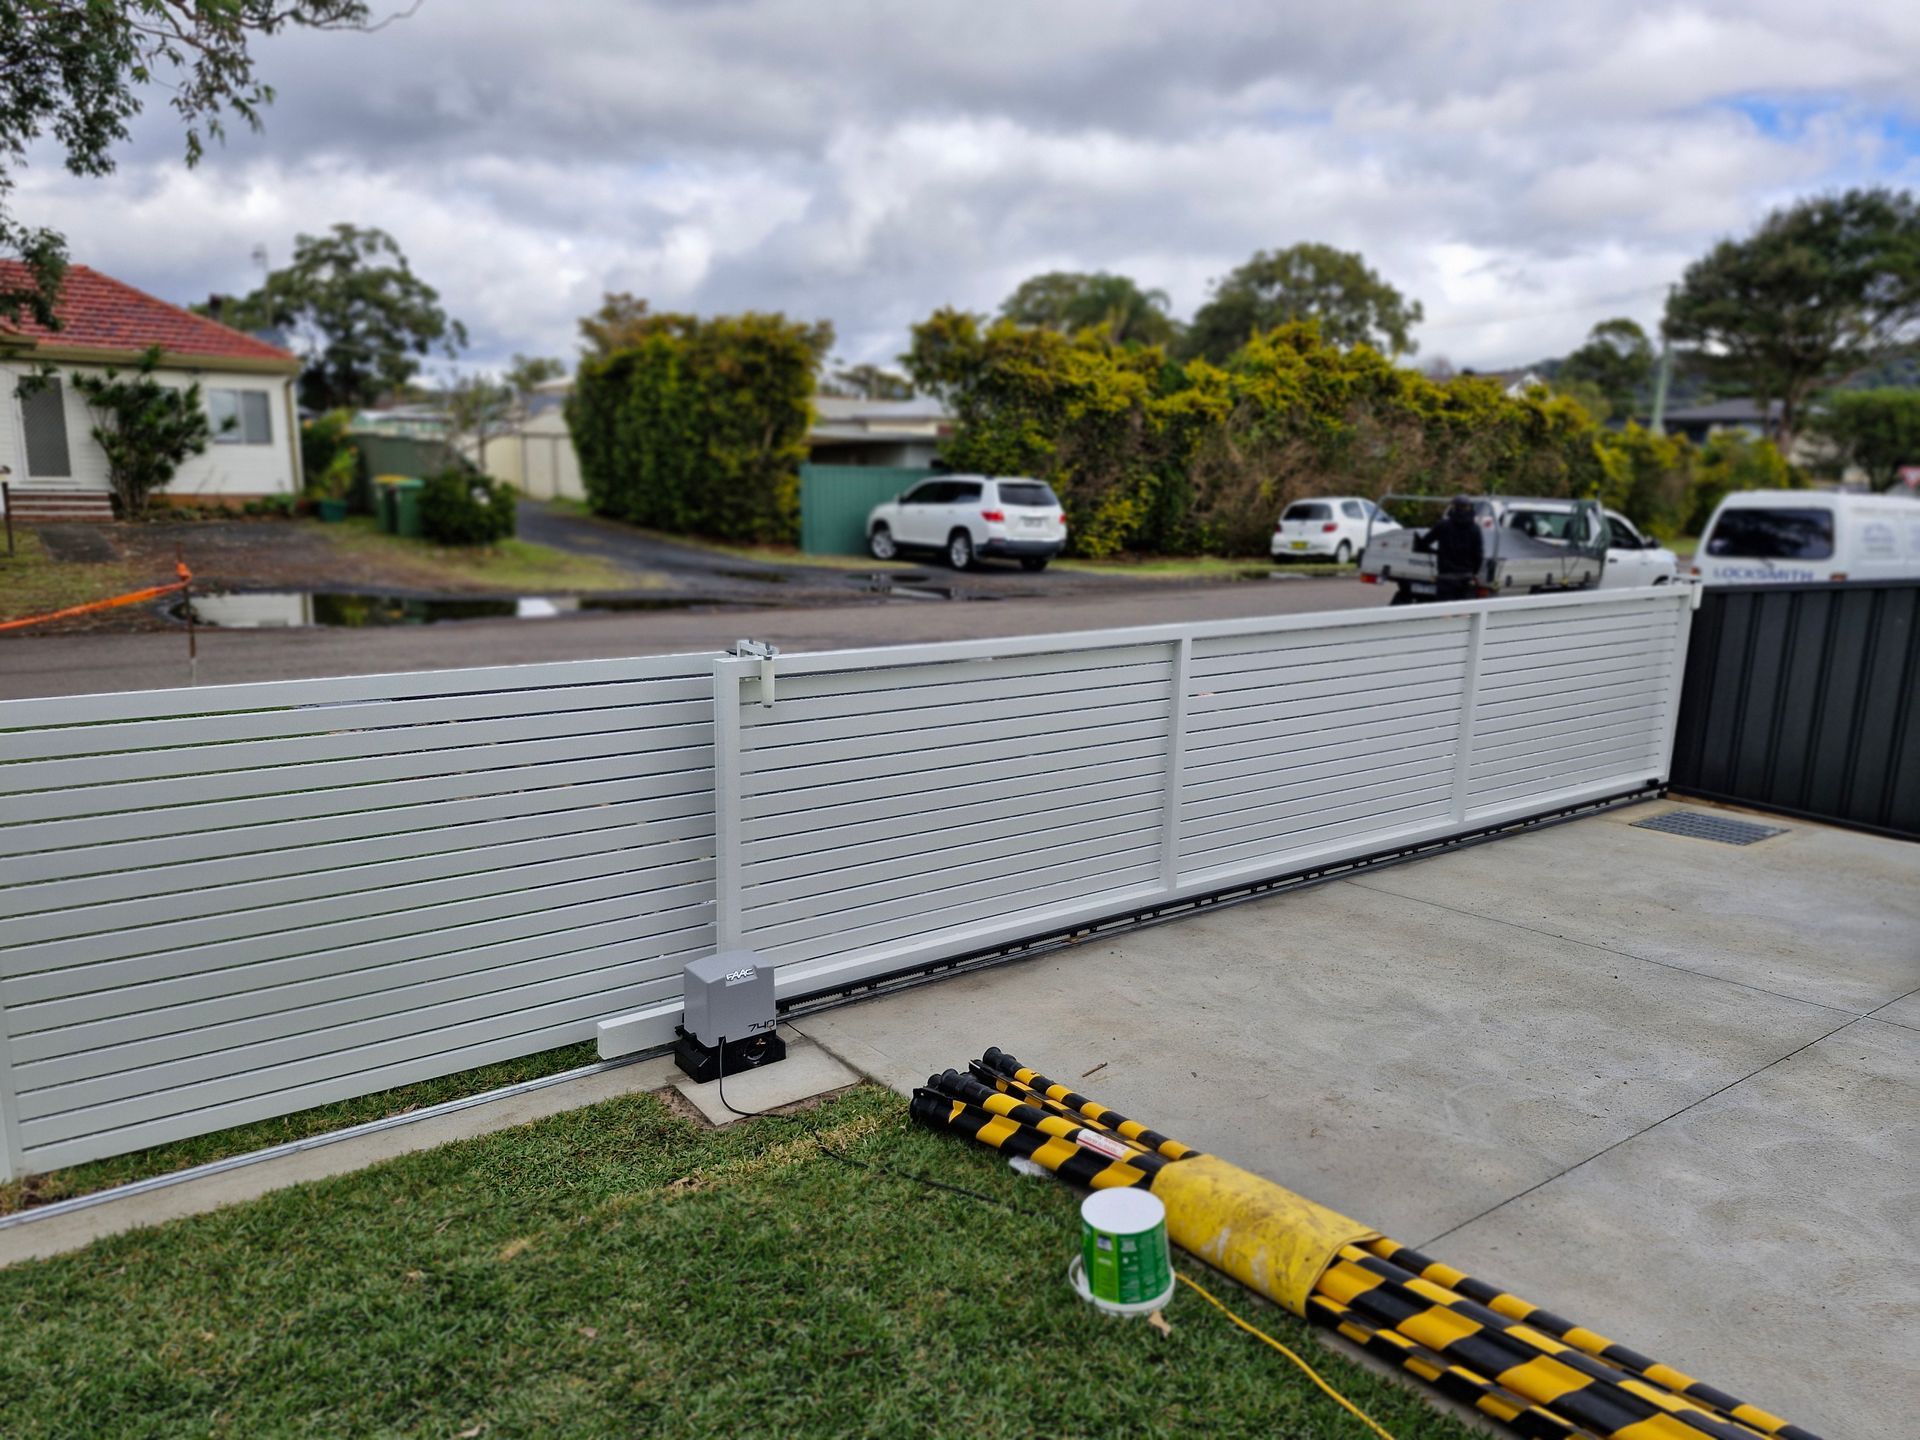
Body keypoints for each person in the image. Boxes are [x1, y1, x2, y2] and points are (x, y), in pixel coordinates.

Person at [1414, 495, 1485, 602]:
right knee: (1464, 612)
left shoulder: (1443, 525)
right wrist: (1473, 572)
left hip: (1445, 577)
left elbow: (1424, 543)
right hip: (1466, 577)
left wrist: (1436, 552)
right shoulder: (1475, 529)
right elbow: (1478, 554)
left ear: (1453, 508)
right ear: (1469, 508)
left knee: (1445, 613)